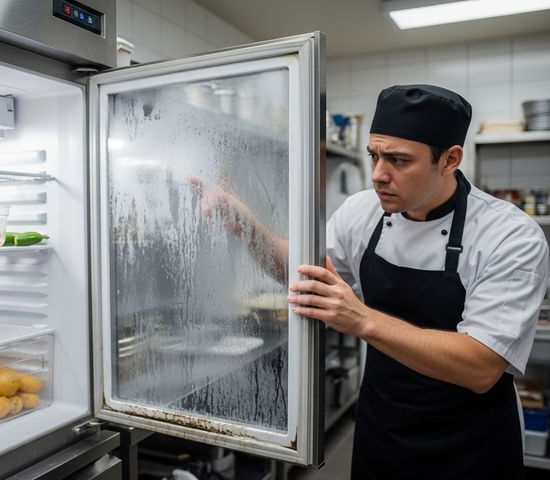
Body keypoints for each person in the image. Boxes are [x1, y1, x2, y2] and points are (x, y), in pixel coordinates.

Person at [191, 84, 549, 479]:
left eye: (398, 160)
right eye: (374, 155)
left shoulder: (509, 234)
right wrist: (246, 226)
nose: (379, 175)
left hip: (470, 443)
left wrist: (361, 319)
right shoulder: (363, 211)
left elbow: (480, 368)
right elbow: (305, 269)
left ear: (450, 160)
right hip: (384, 424)